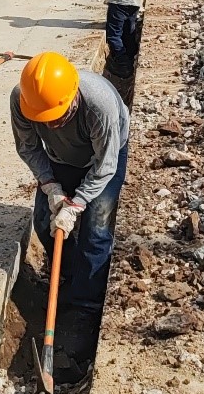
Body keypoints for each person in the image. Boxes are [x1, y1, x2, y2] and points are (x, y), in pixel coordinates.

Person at [11, 52, 129, 329]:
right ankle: (66, 274)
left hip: (103, 157)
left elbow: (105, 165)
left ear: (72, 98)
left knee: (96, 228)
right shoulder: (23, 98)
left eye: (57, 117)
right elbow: (28, 147)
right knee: (44, 221)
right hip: (59, 157)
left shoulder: (100, 105)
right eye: (44, 119)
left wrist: (77, 205)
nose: (50, 125)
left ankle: (84, 305)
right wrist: (51, 186)